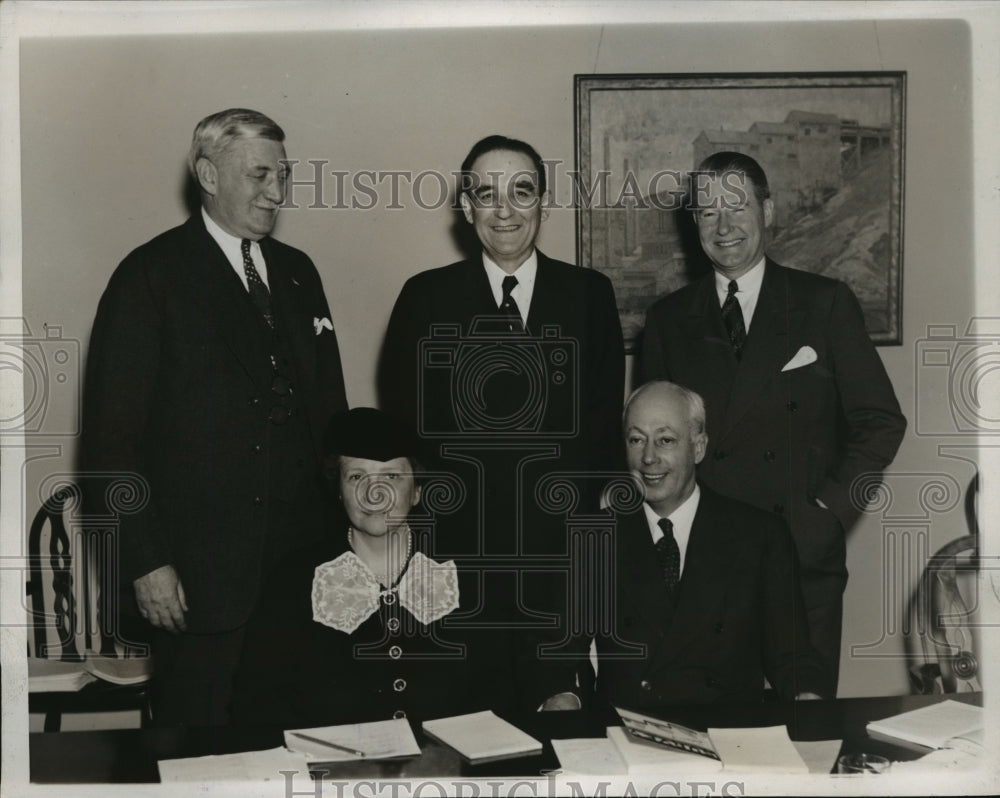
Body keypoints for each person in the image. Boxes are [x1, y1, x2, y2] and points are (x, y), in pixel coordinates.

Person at [81, 108, 348, 726]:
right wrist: (146, 561)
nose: (277, 192)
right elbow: (109, 443)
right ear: (207, 173)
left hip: (299, 573)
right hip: (197, 580)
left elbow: (328, 421)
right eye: (259, 175)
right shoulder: (150, 275)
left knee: (296, 743)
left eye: (284, 175)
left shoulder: (299, 273)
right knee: (197, 749)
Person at [641, 152, 906, 688]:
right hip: (702, 571)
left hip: (799, 562)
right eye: (708, 212)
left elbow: (880, 420)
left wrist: (827, 514)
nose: (724, 225)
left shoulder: (824, 303)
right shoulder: (668, 320)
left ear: (768, 209)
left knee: (802, 739)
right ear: (694, 225)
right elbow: (649, 448)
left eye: (737, 206)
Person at [378, 135, 625, 651]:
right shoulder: (425, 297)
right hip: (454, 557)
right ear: (467, 208)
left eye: (522, 191)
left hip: (560, 559)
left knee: (560, 705)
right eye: (487, 195)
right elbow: (407, 428)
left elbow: (602, 429)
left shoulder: (589, 295)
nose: (505, 211)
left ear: (544, 203)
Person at [232, 408, 575, 727]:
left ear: (417, 491)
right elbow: (257, 704)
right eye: (356, 477)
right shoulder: (294, 579)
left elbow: (530, 665)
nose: (374, 493)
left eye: (392, 476)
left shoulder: (473, 576)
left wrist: (556, 695)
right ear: (337, 490)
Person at [593, 381, 831, 712]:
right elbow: (554, 654)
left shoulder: (759, 536)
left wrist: (806, 695)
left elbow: (792, 655)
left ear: (699, 447)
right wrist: (561, 694)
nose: (648, 458)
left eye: (665, 440)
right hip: (627, 735)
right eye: (636, 440)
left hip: (728, 735)